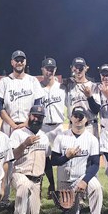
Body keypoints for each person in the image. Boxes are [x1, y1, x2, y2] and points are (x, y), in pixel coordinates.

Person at [0, 50, 44, 209]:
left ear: (25, 62)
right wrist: (13, 125)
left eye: (22, 60)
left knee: (29, 160)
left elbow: (38, 104)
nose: (19, 63)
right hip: (9, 125)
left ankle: (30, 196)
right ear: (12, 62)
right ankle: (5, 197)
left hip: (29, 125)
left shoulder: (33, 81)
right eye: (17, 60)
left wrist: (28, 123)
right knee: (7, 161)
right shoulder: (4, 82)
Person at [51, 106, 103, 214]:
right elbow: (54, 161)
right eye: (76, 116)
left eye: (81, 116)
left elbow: (95, 164)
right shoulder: (61, 137)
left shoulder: (92, 139)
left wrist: (85, 180)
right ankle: (75, 207)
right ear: (71, 118)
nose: (78, 119)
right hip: (64, 180)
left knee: (96, 187)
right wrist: (66, 157)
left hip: (82, 177)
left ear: (86, 119)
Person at [9, 105, 50, 214]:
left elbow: (47, 161)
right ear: (29, 116)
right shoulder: (18, 134)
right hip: (19, 174)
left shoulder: (44, 137)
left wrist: (52, 184)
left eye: (40, 117)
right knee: (24, 185)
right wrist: (24, 144)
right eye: (34, 116)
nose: (36, 119)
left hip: (37, 180)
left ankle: (19, 205)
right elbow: (12, 156)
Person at [39, 57, 65, 197]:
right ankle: (51, 185)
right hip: (42, 127)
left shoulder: (62, 87)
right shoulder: (37, 87)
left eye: (52, 69)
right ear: (42, 69)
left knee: (60, 156)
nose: (49, 71)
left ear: (55, 70)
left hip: (58, 127)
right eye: (47, 68)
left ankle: (61, 186)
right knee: (43, 157)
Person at [61, 57, 100, 137]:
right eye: (76, 68)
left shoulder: (93, 86)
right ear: (72, 69)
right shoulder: (68, 87)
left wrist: (89, 97)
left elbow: (96, 110)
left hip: (89, 126)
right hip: (73, 127)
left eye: (81, 68)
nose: (78, 70)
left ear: (86, 68)